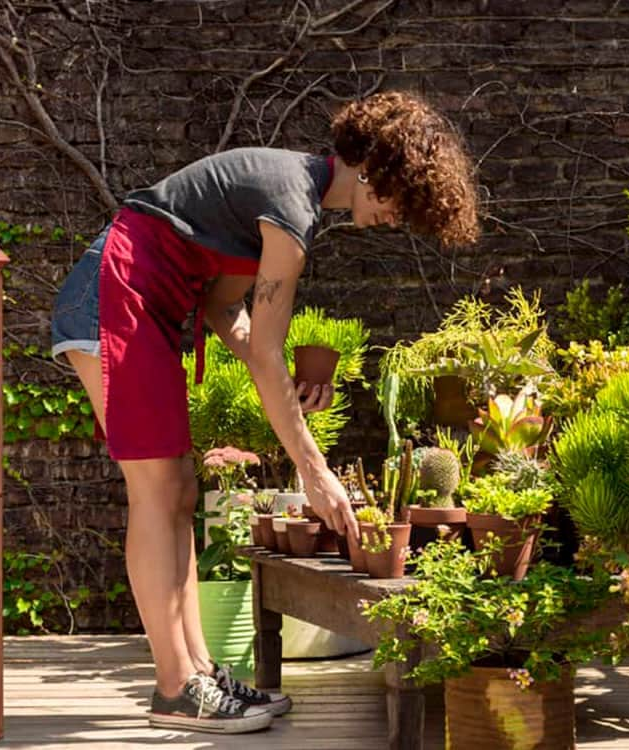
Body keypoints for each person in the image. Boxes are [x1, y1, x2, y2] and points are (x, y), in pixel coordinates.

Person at [48, 90, 479, 734]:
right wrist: (314, 470)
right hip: (116, 298)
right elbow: (265, 354)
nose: (396, 219)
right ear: (375, 172)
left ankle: (198, 671)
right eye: (399, 202)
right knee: (156, 489)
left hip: (150, 312)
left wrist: (293, 383)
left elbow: (229, 315)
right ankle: (175, 689)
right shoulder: (290, 209)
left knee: (182, 490)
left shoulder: (286, 194)